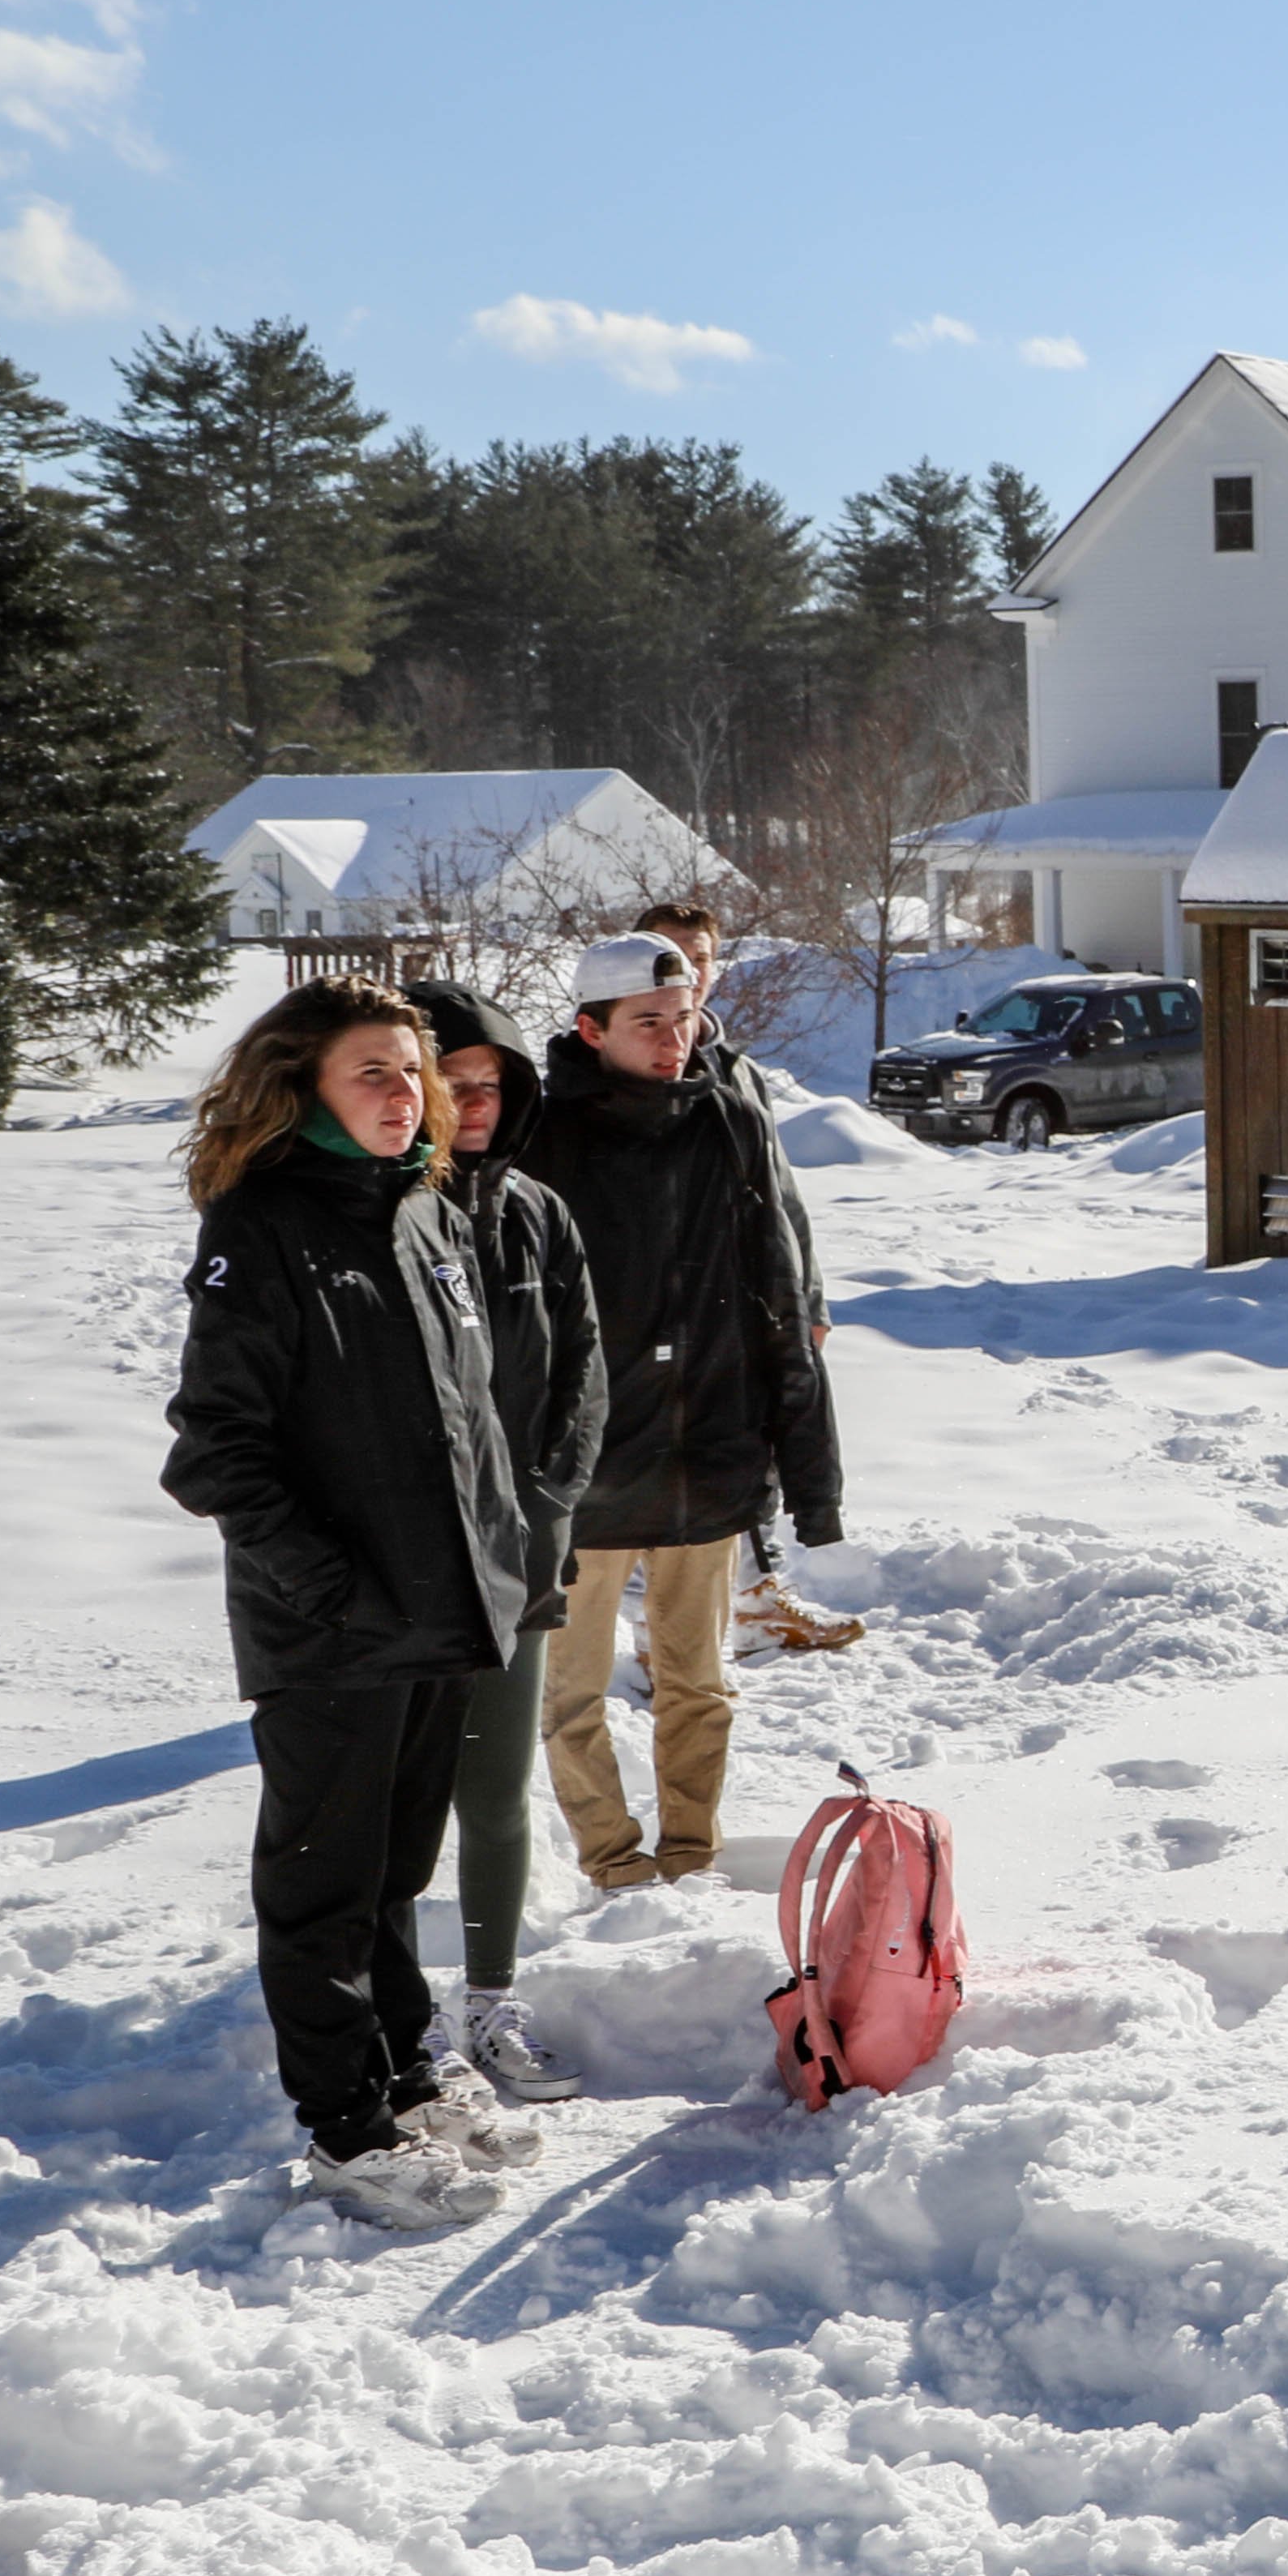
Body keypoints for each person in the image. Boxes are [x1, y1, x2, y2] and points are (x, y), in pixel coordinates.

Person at [160, 980, 543, 2236]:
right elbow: (215, 1450)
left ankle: (410, 2074)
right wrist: (328, 1587)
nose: (404, 1096)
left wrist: (501, 1563)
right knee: (323, 1891)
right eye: (370, 1073)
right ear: (306, 1087)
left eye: (412, 1073)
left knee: (393, 1877)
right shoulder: (261, 1224)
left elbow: (464, 1427)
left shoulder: (427, 1213)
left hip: (440, 1613)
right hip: (332, 1629)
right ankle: (345, 2129)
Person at [515, 935, 843, 1891]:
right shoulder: (543, 1134)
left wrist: (785, 1426)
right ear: (592, 1028)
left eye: (685, 1017)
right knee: (571, 1687)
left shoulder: (724, 1116)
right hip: (585, 1460)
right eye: (648, 1023)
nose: (673, 1039)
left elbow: (774, 1270)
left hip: (704, 1443)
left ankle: (691, 1854)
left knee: (696, 1680)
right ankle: (613, 1863)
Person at [404, 977, 605, 2101]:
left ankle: (487, 2002)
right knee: (398, 1803)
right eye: (454, 1082)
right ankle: (402, 2018)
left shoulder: (538, 1213)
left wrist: (548, 1510)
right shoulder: (383, 1215)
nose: (475, 1103)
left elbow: (583, 1381)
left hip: (518, 1558)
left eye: (494, 1084)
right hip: (409, 1565)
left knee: (497, 1792)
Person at [625, 898, 859, 1658]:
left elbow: (780, 1196)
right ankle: (650, 1631)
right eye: (671, 952)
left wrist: (806, 1296)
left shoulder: (735, 1069)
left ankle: (760, 1603)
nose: (689, 969)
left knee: (746, 1447)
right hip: (662, 1313)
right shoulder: (618, 1071)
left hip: (743, 1298)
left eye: (701, 956)